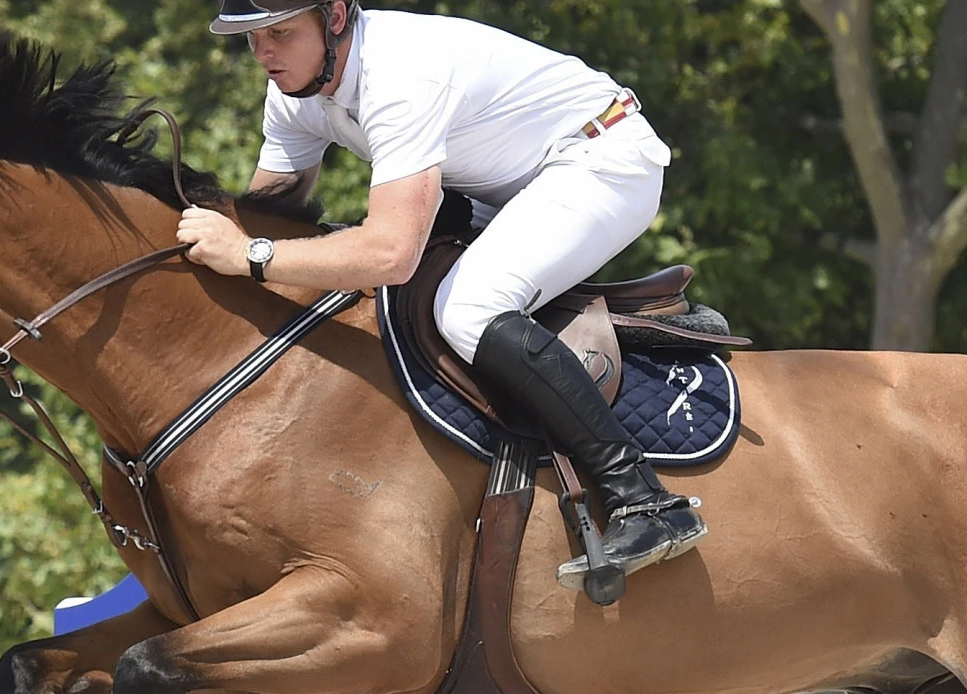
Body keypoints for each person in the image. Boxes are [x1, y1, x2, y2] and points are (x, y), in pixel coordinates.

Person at [187, 0, 706, 588]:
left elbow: (387, 254)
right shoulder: (292, 91)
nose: (264, 55)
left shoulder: (402, 75)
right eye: (252, 38)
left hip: (598, 155)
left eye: (279, 32)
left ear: (335, 17)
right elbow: (271, 215)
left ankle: (643, 500)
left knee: (466, 310)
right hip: (499, 182)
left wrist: (248, 256)